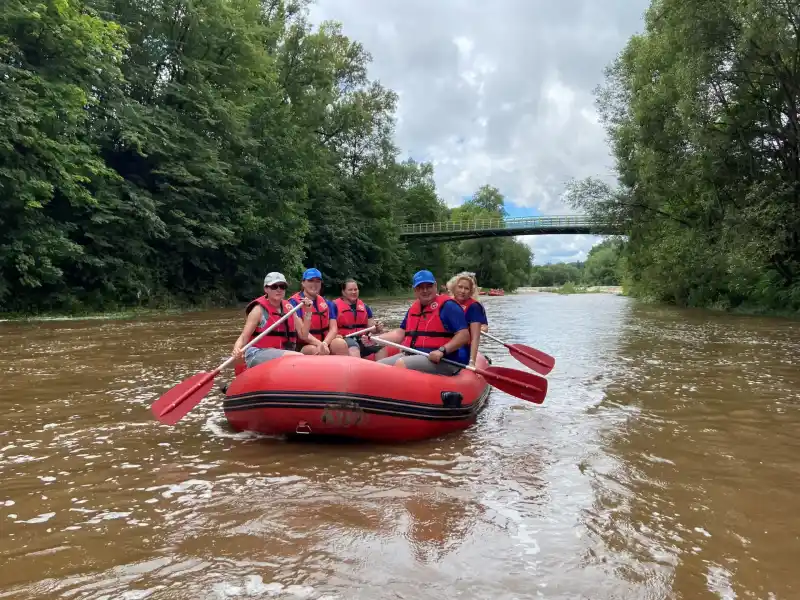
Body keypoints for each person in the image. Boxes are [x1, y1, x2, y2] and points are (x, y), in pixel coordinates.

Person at [373, 270, 470, 375]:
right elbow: (400, 333)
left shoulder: (448, 306)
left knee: (402, 363)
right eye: (420, 287)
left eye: (428, 286)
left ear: (435, 286)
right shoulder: (413, 309)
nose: (425, 290)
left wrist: (442, 350)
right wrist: (377, 339)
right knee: (378, 366)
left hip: (443, 360)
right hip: (412, 354)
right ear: (415, 290)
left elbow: (464, 336)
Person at [232, 272, 314, 368]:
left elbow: (303, 335)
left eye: (282, 286)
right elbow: (243, 337)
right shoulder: (258, 310)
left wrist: (308, 311)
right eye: (274, 286)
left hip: (279, 353)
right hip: (256, 354)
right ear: (266, 289)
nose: (279, 289)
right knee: (297, 357)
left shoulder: (289, 308)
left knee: (304, 356)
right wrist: (237, 348)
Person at [288, 268, 349, 356]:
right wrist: (319, 344)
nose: (314, 284)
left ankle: (343, 368)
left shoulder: (328, 303)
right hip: (304, 345)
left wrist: (324, 343)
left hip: (324, 341)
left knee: (340, 344)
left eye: (317, 281)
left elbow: (333, 329)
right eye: (311, 281)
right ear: (303, 283)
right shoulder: (294, 303)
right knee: (314, 349)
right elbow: (302, 333)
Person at [332, 278, 385, 358]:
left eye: (355, 289)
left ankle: (382, 369)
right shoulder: (334, 306)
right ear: (343, 292)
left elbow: (372, 327)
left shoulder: (365, 307)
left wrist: (377, 327)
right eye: (350, 290)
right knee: (354, 348)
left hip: (362, 339)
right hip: (345, 339)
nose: (354, 292)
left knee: (381, 348)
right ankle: (357, 369)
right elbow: (330, 328)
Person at [446, 271, 489, 367]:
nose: (462, 291)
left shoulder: (475, 306)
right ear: (454, 288)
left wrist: (472, 329)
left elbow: (483, 329)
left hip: (463, 345)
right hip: (446, 342)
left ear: (471, 291)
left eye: (466, 288)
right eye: (460, 287)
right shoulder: (447, 303)